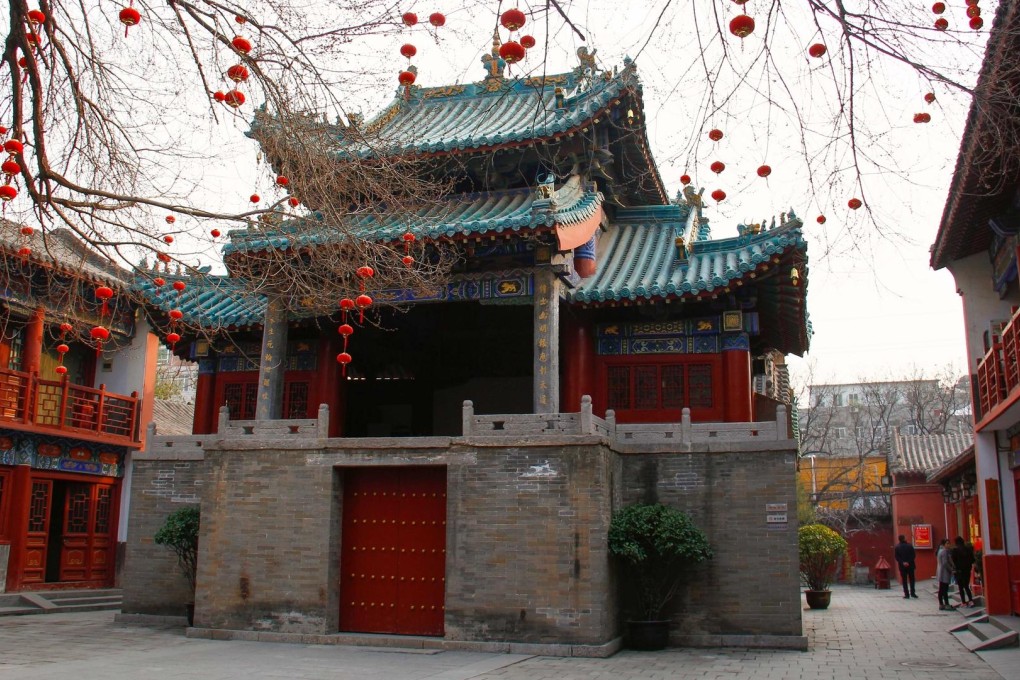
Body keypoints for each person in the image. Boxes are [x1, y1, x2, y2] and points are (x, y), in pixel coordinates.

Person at [951, 536, 976, 607]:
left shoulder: (955, 550)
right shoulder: (968, 549)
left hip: (959, 571)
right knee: (966, 586)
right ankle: (971, 601)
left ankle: (963, 602)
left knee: (960, 587)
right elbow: (972, 560)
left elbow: (953, 561)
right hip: (967, 570)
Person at [894, 535, 917, 599]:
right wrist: (908, 562)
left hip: (902, 566)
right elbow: (913, 555)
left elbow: (897, 557)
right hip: (911, 565)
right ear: (904, 538)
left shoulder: (897, 547)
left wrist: (903, 562)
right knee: (912, 579)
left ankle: (906, 594)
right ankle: (913, 593)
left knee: (904, 580)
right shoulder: (910, 546)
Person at [936, 538, 956, 610]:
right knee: (944, 589)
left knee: (941, 589)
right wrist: (951, 570)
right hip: (944, 572)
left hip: (941, 572)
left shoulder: (940, 551)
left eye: (949, 543)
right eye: (947, 543)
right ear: (944, 544)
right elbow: (945, 563)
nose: (948, 545)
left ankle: (941, 604)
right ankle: (946, 604)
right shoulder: (944, 551)